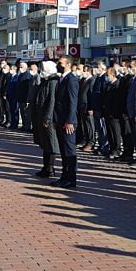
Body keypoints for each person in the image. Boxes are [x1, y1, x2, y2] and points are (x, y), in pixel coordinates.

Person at [53, 55, 79, 188]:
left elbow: (72, 102)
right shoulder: (62, 79)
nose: (58, 65)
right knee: (63, 150)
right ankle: (64, 176)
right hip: (60, 119)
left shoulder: (71, 80)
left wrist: (70, 121)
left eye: (61, 63)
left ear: (68, 64)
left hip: (67, 121)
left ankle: (71, 178)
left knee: (69, 151)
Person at [33, 61, 60, 179]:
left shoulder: (53, 82)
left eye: (43, 68)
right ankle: (45, 167)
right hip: (40, 116)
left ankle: (50, 168)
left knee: (51, 143)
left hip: (47, 118)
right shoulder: (45, 81)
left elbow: (51, 101)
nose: (41, 71)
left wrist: (48, 117)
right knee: (44, 143)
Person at [103, 67, 124, 160]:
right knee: (110, 131)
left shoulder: (117, 84)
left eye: (107, 75)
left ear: (113, 74)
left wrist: (114, 112)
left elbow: (117, 100)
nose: (106, 77)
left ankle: (117, 149)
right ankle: (112, 148)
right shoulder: (109, 84)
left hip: (114, 113)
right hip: (107, 112)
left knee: (115, 132)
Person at [90, 62, 109, 154]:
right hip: (96, 107)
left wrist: (102, 106)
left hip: (100, 107)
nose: (96, 69)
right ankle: (101, 145)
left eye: (98, 67)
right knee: (99, 128)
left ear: (103, 68)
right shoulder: (98, 78)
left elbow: (103, 93)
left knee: (102, 128)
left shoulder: (104, 78)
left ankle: (105, 146)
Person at [15, 61, 33, 130]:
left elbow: (27, 88)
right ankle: (24, 125)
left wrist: (27, 98)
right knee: (22, 112)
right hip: (20, 97)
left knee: (26, 113)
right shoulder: (21, 74)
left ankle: (27, 126)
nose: (20, 68)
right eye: (20, 67)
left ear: (25, 68)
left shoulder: (27, 75)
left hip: (25, 97)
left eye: (21, 67)